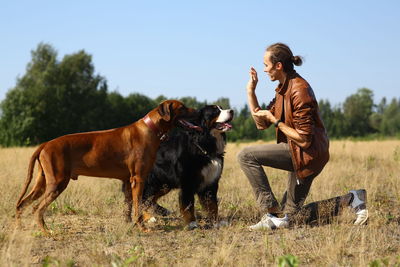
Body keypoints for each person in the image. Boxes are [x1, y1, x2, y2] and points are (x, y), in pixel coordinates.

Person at [237, 43, 368, 230]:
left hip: (307, 154)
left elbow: (304, 139)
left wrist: (275, 121)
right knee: (291, 218)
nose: (264, 70)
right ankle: (351, 199)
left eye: (266, 65)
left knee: (245, 155)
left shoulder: (300, 90)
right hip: (297, 151)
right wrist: (251, 91)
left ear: (278, 66)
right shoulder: (283, 88)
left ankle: (269, 212)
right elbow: (261, 123)